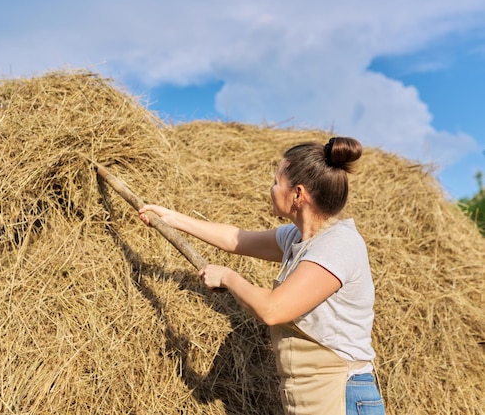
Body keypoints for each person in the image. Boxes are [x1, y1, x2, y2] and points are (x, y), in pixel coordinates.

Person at [139, 137, 385, 415]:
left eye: (276, 181)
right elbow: (236, 239)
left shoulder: (337, 244)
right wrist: (169, 218)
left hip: (343, 394)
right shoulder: (299, 237)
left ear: (297, 194)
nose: (270, 189)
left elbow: (272, 309)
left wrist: (228, 277)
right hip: (313, 398)